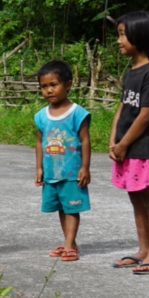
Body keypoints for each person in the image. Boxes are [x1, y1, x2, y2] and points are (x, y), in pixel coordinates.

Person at [109, 11, 149, 275]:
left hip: (145, 148)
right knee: (136, 199)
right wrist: (114, 140)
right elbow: (122, 108)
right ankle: (142, 250)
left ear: (140, 36)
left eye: (122, 35)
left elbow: (146, 115)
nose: (118, 41)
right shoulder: (131, 71)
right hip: (127, 148)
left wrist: (124, 144)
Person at [34, 60, 91, 262]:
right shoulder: (41, 116)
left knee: (72, 208)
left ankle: (69, 244)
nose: (48, 90)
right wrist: (39, 167)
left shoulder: (77, 113)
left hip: (72, 173)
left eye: (53, 85)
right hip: (52, 173)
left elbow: (85, 140)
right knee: (61, 207)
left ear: (68, 85)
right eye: (43, 86)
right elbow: (39, 142)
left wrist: (85, 167)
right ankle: (69, 242)